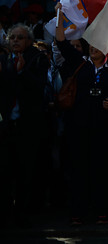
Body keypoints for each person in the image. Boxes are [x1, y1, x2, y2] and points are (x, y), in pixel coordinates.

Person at [54, 16, 108, 225]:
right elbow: (61, 42)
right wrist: (59, 14)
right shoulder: (79, 64)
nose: (94, 47)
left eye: (99, 45)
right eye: (92, 44)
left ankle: (102, 211)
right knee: (78, 171)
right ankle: (77, 212)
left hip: (103, 130)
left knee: (100, 171)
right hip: (78, 128)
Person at [0, 24, 50, 226]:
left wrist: (22, 73)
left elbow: (40, 88)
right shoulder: (4, 59)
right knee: (5, 170)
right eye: (12, 37)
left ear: (29, 40)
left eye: (20, 37)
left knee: (25, 171)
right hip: (6, 124)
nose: (15, 41)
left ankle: (23, 212)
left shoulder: (37, 58)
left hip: (28, 125)